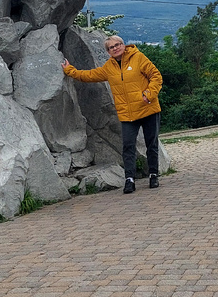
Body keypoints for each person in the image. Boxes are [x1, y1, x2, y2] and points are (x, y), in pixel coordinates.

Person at [62, 35, 163, 194]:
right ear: (108, 52)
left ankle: (153, 174)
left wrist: (149, 94)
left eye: (118, 44)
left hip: (148, 108)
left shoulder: (138, 58)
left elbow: (156, 76)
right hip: (128, 114)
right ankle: (129, 179)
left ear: (124, 45)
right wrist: (70, 70)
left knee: (152, 143)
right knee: (128, 146)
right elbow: (89, 75)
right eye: (111, 47)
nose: (115, 48)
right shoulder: (109, 67)